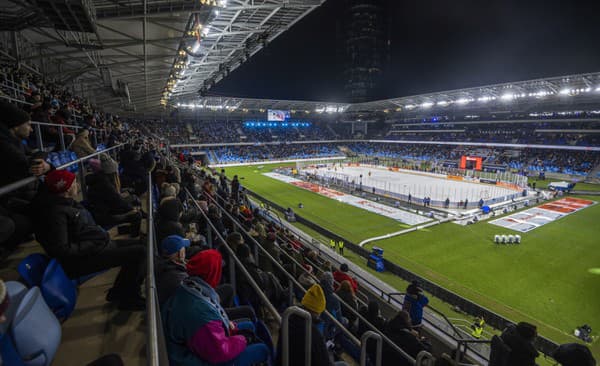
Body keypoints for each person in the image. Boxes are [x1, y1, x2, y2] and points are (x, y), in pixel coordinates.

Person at [30, 170, 146, 310]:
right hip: (82, 259)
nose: (78, 185)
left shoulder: (68, 203)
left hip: (97, 246)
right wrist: (93, 244)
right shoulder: (56, 213)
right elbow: (61, 249)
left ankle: (120, 291)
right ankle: (129, 298)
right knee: (140, 252)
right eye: (74, 183)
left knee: (144, 245)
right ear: (66, 188)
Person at [162, 249, 269, 366]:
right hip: (198, 359)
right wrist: (243, 339)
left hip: (195, 349)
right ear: (213, 273)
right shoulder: (200, 311)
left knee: (249, 326)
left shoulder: (191, 286)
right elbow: (220, 352)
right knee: (262, 349)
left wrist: (234, 331)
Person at [276, 284, 348, 366]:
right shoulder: (314, 335)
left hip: (283, 361)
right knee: (343, 364)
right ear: (318, 311)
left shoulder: (288, 318)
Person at [86, 154, 141, 236]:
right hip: (104, 216)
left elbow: (115, 200)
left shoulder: (100, 179)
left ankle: (125, 230)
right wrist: (131, 209)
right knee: (136, 215)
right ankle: (133, 236)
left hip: (104, 210)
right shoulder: (105, 184)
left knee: (133, 200)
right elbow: (118, 202)